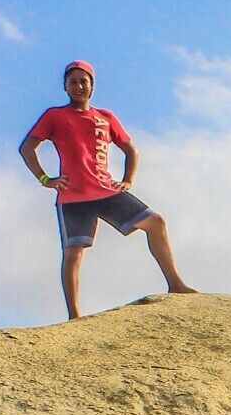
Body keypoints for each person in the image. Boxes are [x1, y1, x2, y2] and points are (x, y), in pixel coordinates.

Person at [21, 61, 195, 320]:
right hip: (73, 196)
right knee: (73, 254)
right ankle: (74, 315)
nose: (79, 86)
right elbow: (27, 148)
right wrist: (45, 179)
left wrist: (128, 180)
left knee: (156, 222)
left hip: (106, 191)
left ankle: (176, 284)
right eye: (73, 82)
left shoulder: (106, 117)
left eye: (84, 81)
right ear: (65, 87)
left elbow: (130, 150)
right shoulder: (55, 116)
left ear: (92, 86)